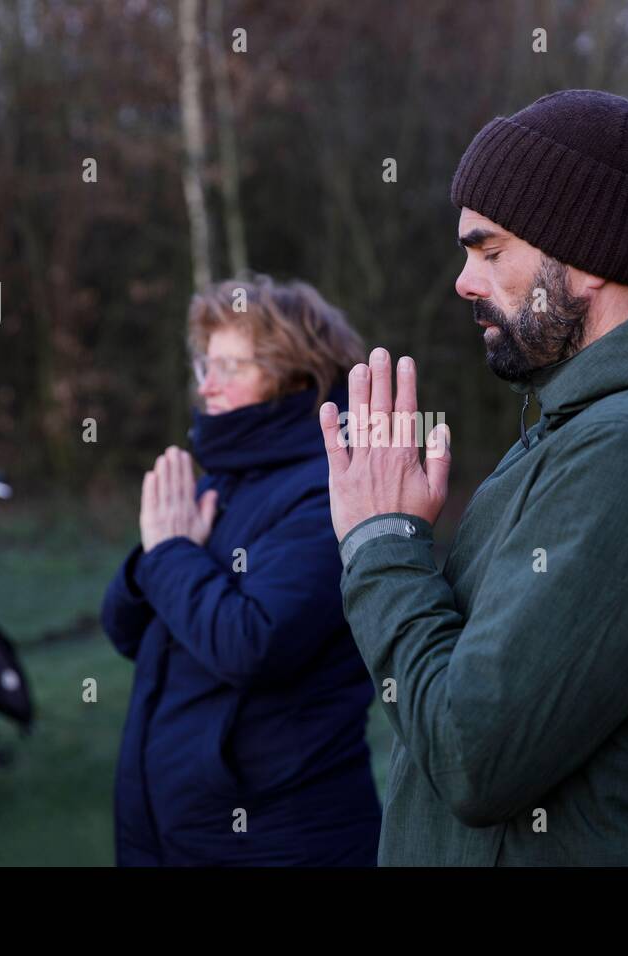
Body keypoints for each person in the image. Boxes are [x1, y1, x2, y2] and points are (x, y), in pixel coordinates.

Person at [320, 90, 628, 865]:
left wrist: (381, 548)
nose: (463, 282)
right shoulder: (582, 428)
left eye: (489, 250)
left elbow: (475, 755)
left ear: (584, 262)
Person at [101, 275, 380, 865]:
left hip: (276, 836)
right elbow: (128, 633)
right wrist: (152, 561)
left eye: (231, 367)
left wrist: (170, 555)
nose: (207, 386)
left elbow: (252, 643)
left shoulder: (330, 488)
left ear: (298, 375)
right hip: (175, 828)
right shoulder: (221, 480)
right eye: (206, 365)